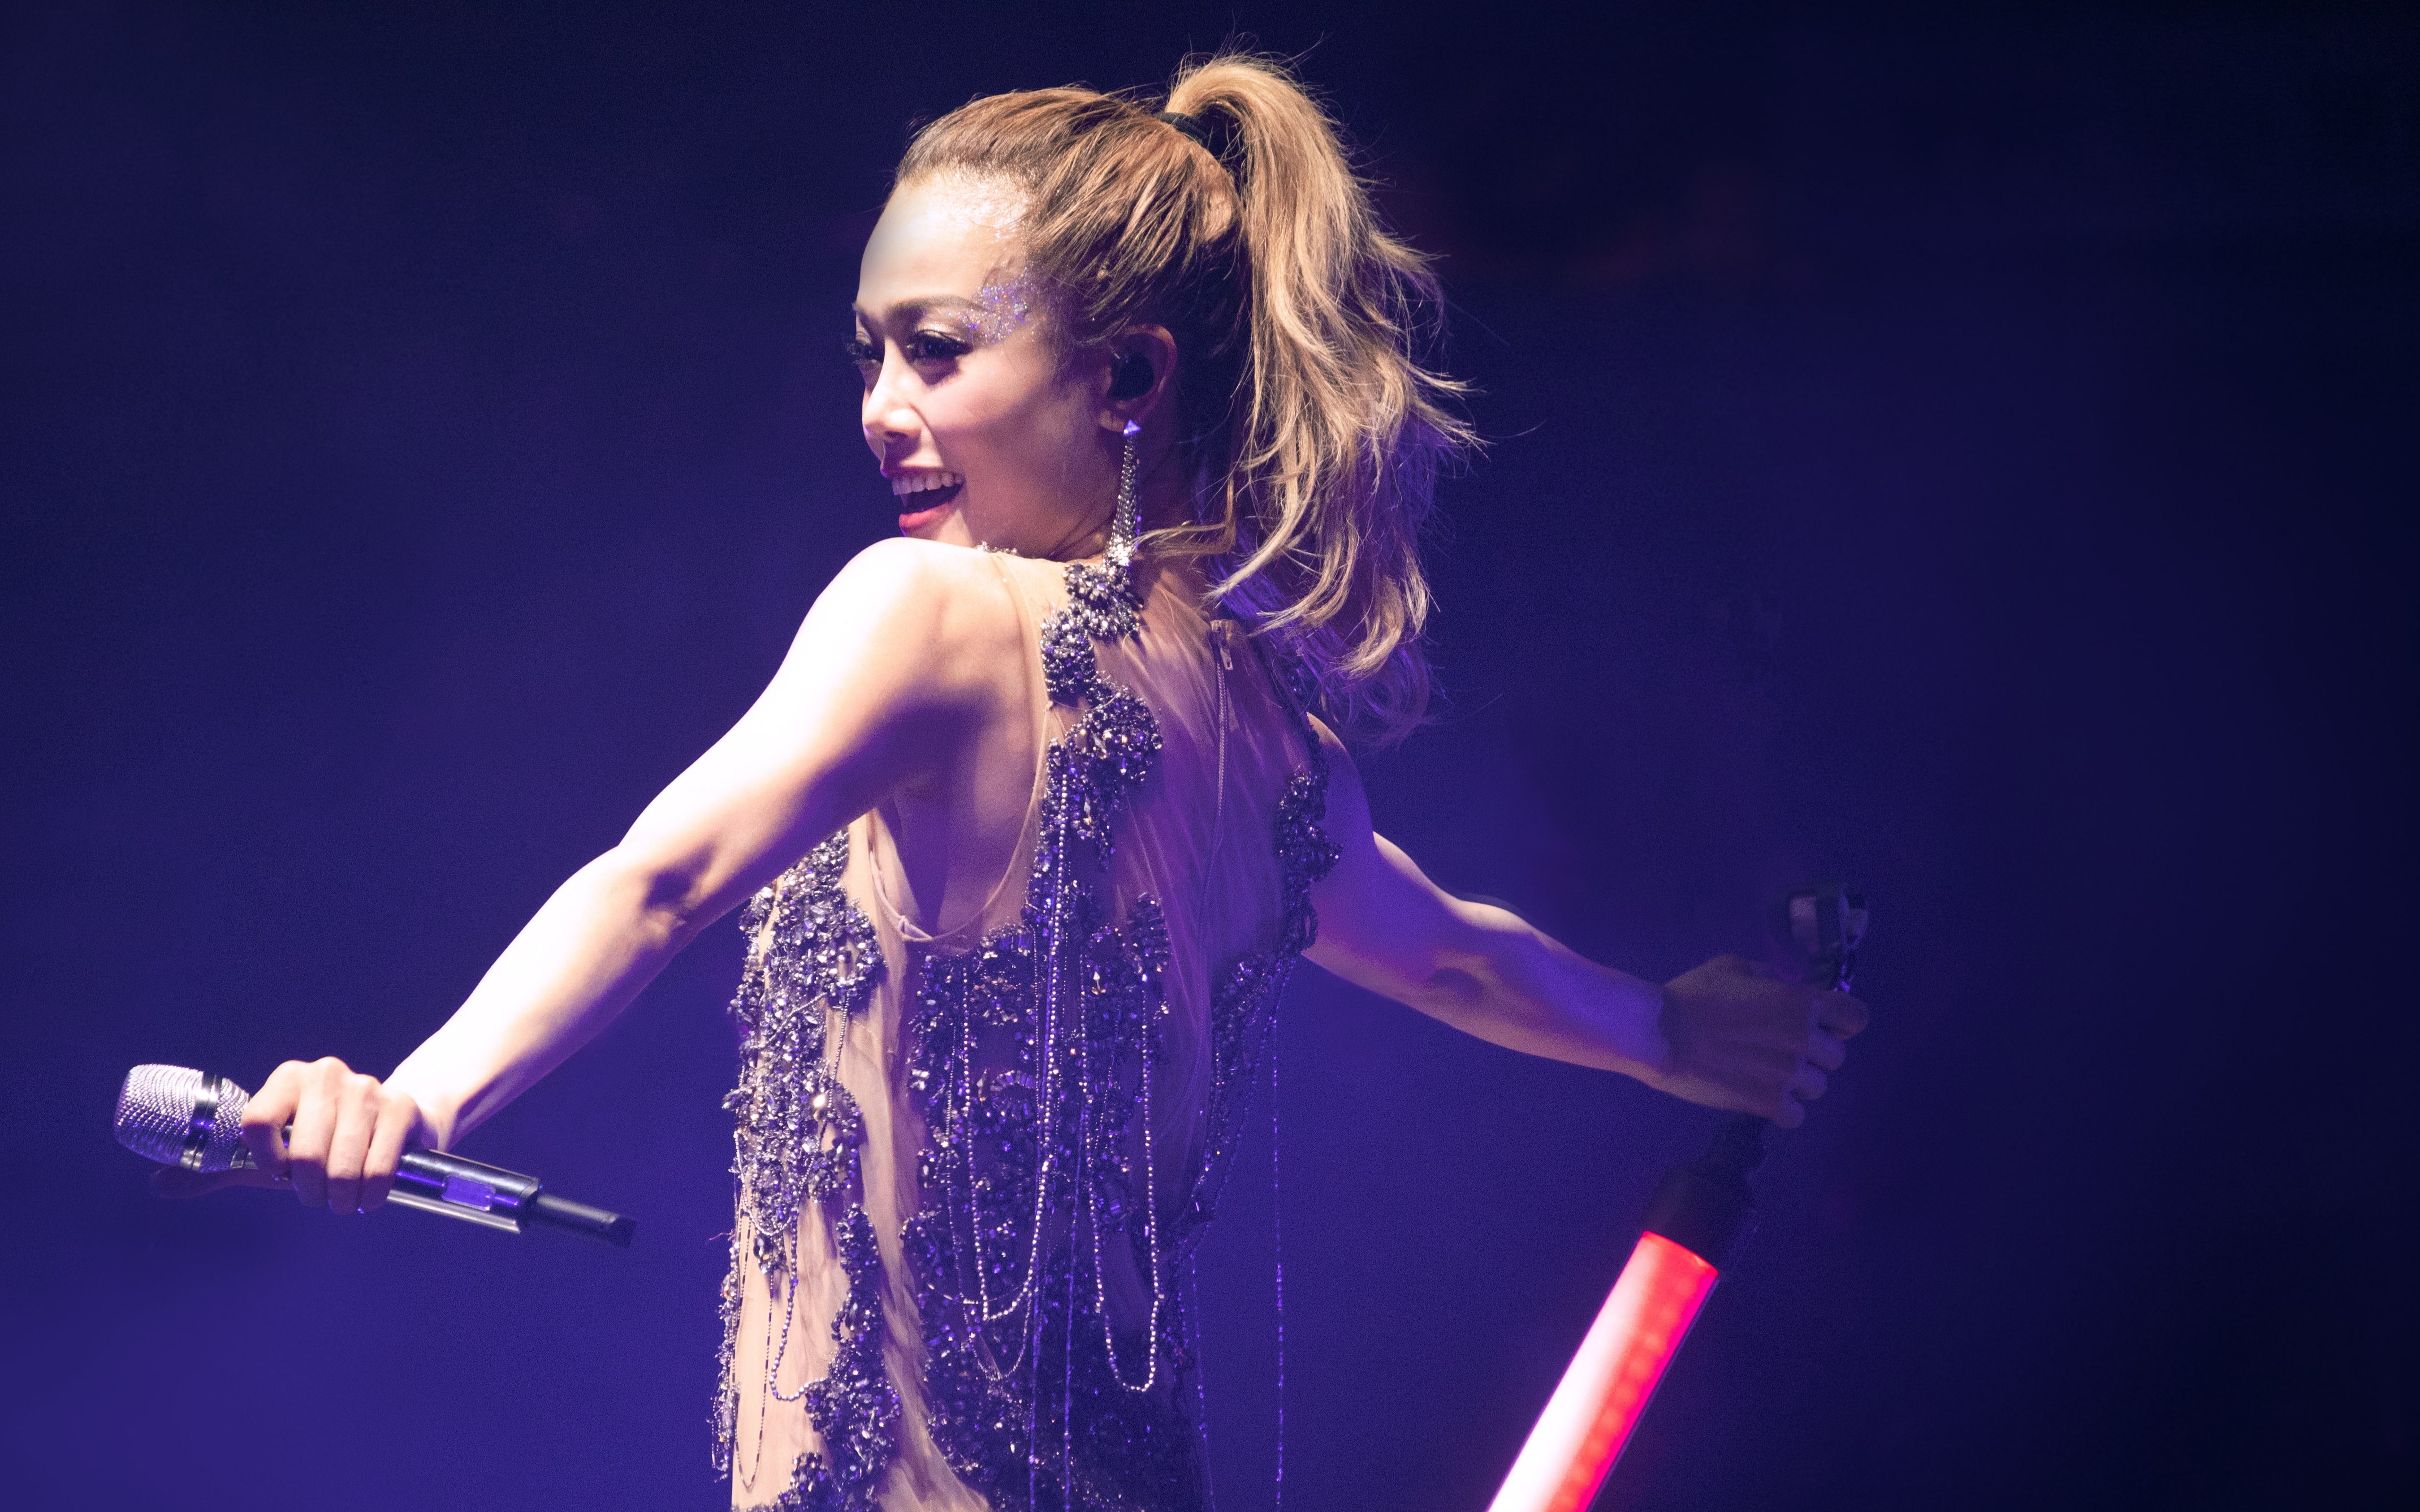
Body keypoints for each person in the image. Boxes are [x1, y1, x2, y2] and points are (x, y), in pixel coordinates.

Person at [162, 54, 1867, 1512]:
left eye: (937, 350)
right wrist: (1667, 1030)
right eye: (869, 353)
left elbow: (661, 878)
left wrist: (419, 1102)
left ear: (1125, 376)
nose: (880, 409)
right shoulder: (1276, 739)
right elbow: (1456, 959)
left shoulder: (933, 613)